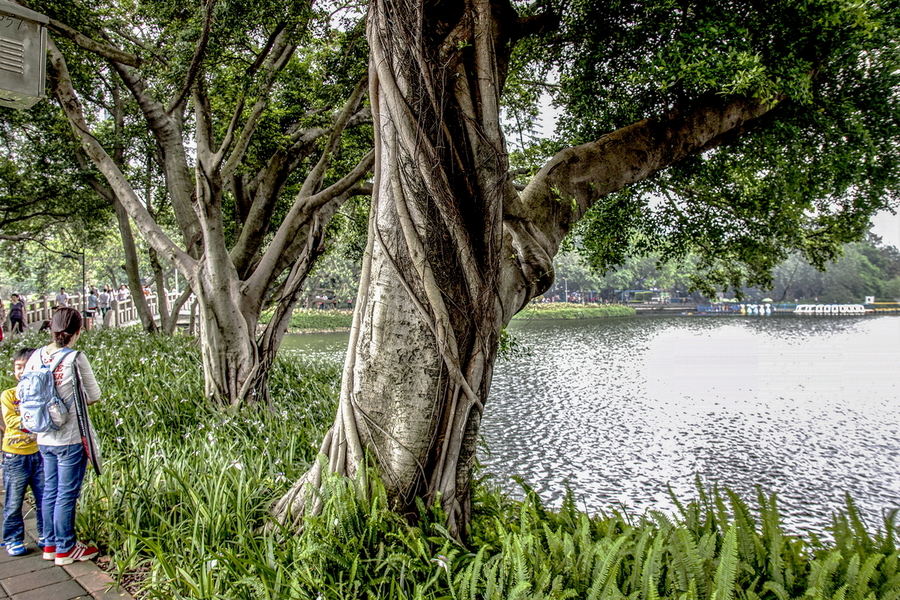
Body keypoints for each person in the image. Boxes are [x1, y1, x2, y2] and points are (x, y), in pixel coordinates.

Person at [29, 307, 101, 565]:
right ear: (78, 331)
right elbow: (94, 397)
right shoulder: (75, 358)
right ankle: (66, 548)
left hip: (43, 436)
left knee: (50, 490)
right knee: (66, 493)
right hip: (70, 438)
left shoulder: (35, 357)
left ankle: (50, 544)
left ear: (52, 329)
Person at [1, 347, 45, 556]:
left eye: (26, 367)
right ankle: (13, 538)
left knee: (44, 498)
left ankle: (46, 536)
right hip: (15, 455)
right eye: (18, 367)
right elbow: (11, 421)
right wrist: (36, 419)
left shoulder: (42, 393)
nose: (21, 371)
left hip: (39, 453)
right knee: (13, 501)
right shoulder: (9, 396)